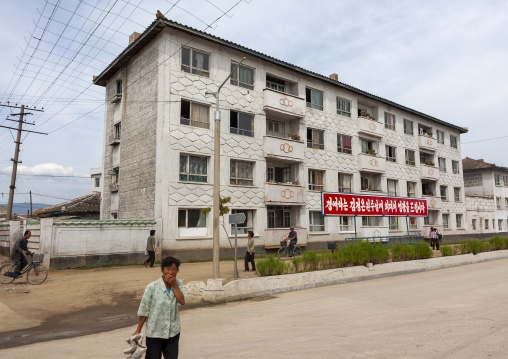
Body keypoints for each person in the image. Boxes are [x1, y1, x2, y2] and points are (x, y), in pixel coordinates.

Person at [133, 256, 187, 359]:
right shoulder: (152, 287)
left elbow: (182, 301)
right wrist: (138, 330)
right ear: (162, 270)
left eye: (174, 269)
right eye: (168, 269)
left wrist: (174, 285)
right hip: (155, 332)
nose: (170, 273)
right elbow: (145, 309)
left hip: (173, 332)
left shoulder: (178, 285)